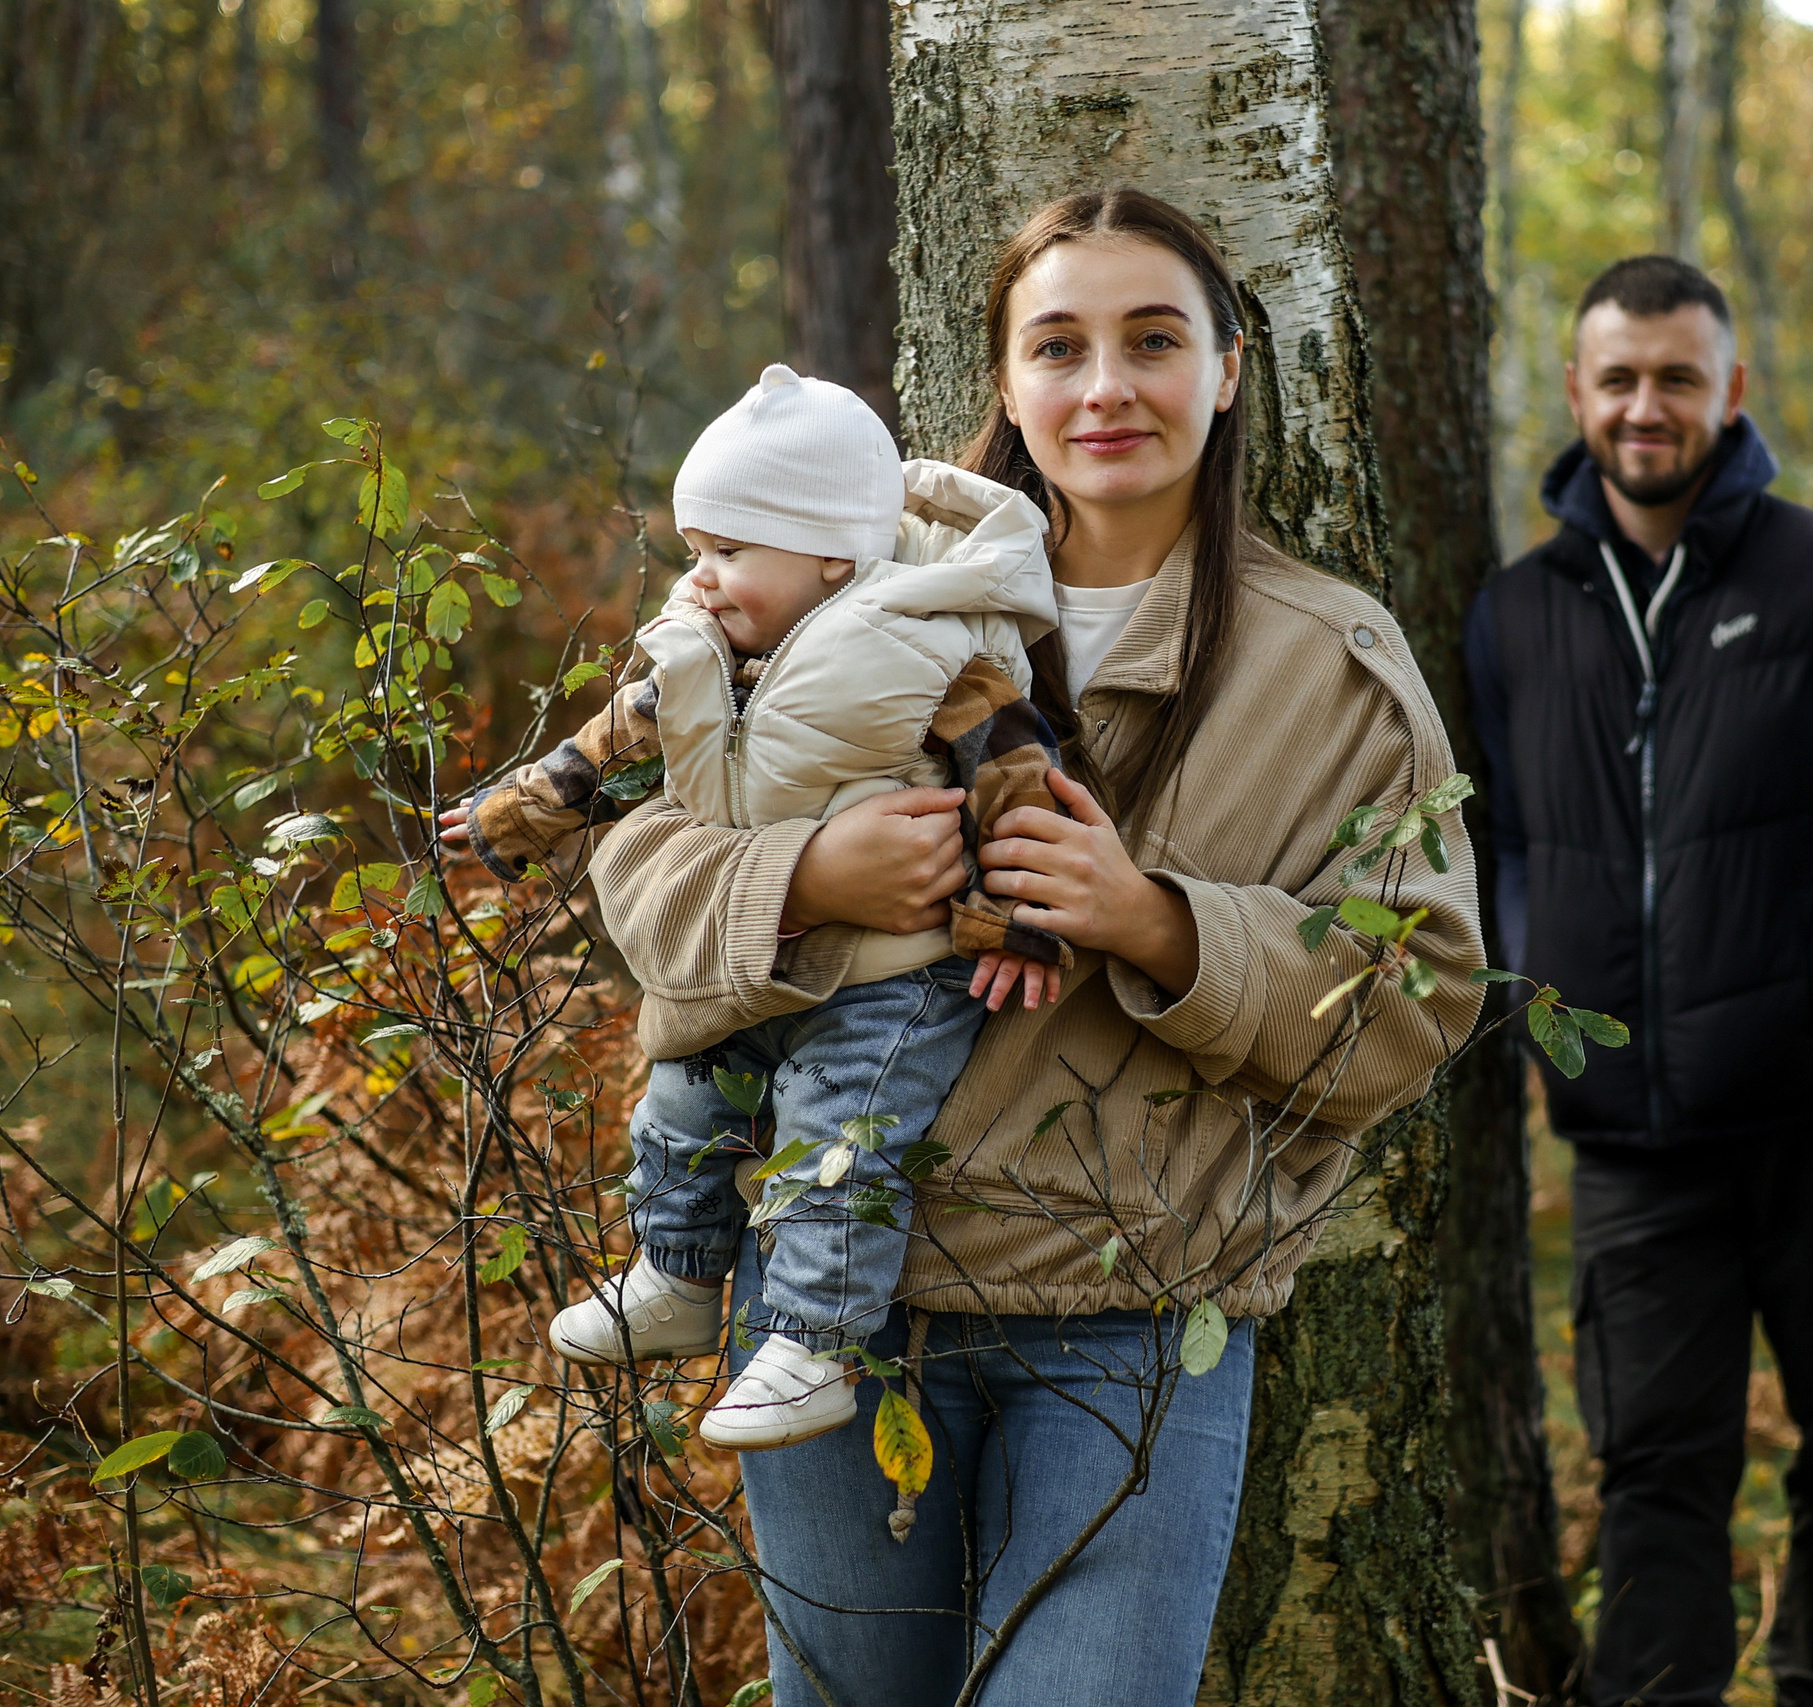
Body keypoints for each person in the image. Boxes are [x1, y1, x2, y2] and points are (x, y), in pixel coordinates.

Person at [579, 190, 1484, 1704]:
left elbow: (1415, 1009)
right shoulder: (820, 589)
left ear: (1231, 365)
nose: (1106, 386)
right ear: (1004, 378)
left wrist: (1158, 921)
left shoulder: (1332, 666)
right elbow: (638, 873)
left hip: (1129, 1323)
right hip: (836, 1306)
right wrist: (805, 874)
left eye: (1154, 340)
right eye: (1058, 345)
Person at [1465, 255, 1813, 1707]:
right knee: (1654, 1464)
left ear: (1731, 392)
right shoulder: (1518, 611)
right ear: (1579, 393)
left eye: (1678, 378)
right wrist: (1538, 999)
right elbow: (1503, 834)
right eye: (1621, 378)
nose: (1648, 407)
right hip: (1636, 1136)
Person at [443, 369, 1072, 1453]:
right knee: (683, 1104)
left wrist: (1010, 917)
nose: (702, 578)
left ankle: (814, 1347)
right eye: (695, 550)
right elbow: (616, 752)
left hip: (896, 973)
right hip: (756, 957)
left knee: (842, 1141)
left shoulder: (928, 641)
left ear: (831, 553)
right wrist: (519, 817)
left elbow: (1014, 775)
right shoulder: (705, 655)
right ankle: (680, 1279)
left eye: (729, 552)